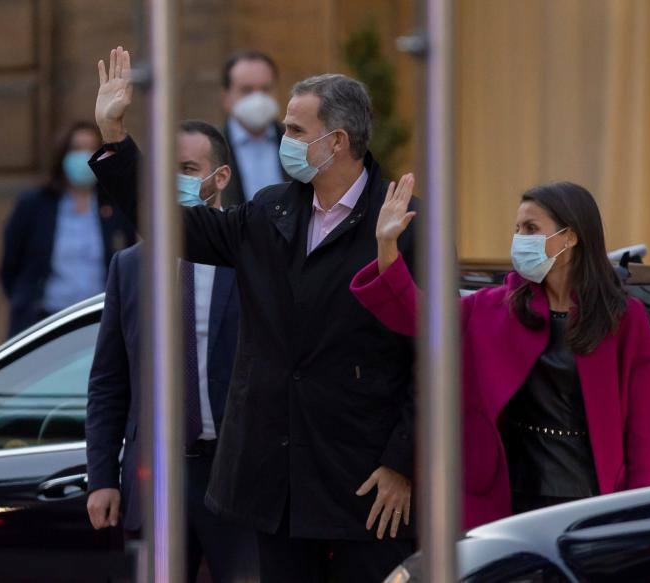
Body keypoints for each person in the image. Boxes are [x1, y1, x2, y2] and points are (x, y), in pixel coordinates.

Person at [91, 47, 417, 583]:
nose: (281, 139)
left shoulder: (402, 220)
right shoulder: (273, 210)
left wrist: (402, 461)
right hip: (276, 481)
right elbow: (178, 228)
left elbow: (429, 354)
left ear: (336, 141)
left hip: (364, 480)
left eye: (293, 129)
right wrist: (116, 139)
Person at [351, 176, 650, 529]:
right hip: (509, 500)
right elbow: (418, 316)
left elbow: (647, 433)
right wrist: (386, 246)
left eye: (531, 228)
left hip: (594, 502)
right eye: (517, 228)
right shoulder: (493, 307)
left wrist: (639, 518)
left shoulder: (624, 318)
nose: (519, 239)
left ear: (570, 236)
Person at [85, 119, 259, 583]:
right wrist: (101, 477)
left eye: (187, 168)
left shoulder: (252, 256)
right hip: (156, 478)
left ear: (219, 177)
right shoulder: (130, 267)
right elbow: (108, 382)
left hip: (234, 476)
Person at [0, 121, 135, 337]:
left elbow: (129, 257)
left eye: (90, 148)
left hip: (101, 322)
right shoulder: (35, 204)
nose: (84, 156)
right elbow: (11, 266)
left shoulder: (113, 205)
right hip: (44, 322)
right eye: (77, 149)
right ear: (62, 155)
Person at [220, 50, 287, 206]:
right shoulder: (213, 147)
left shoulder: (298, 142)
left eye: (266, 89)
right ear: (226, 97)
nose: (258, 99)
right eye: (247, 90)